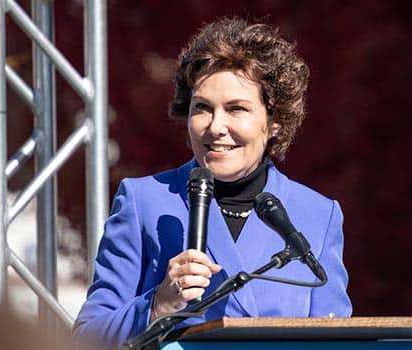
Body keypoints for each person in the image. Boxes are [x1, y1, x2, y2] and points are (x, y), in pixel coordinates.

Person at [74, 17, 352, 349]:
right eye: (203, 108)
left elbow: (338, 337)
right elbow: (86, 340)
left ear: (275, 122)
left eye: (236, 109)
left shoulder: (319, 215)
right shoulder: (143, 200)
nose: (216, 126)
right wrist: (158, 304)